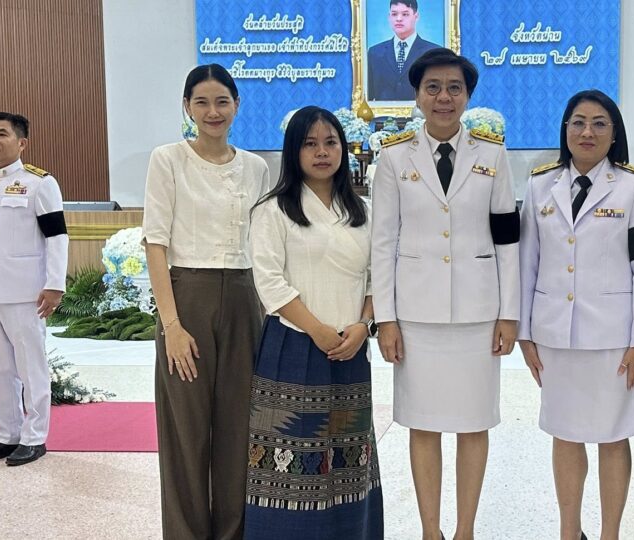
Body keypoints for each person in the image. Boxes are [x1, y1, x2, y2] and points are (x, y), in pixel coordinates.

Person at [370, 47, 519, 540]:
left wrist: (509, 313)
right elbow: (383, 242)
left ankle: (465, 530)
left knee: (474, 423)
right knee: (424, 423)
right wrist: (386, 318)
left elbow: (507, 239)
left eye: (454, 88)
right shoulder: (393, 157)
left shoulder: (492, 155)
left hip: (478, 313)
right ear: (417, 95)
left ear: (467, 96)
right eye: (432, 87)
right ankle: (430, 530)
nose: (443, 97)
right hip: (416, 315)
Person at [518, 90, 634, 540]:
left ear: (614, 133)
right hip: (555, 335)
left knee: (612, 436)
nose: (587, 131)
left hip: (614, 339)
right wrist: (525, 332)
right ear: (565, 129)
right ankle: (569, 531)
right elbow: (527, 263)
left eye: (599, 123)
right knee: (564, 433)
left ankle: (609, 534)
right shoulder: (540, 185)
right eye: (578, 122)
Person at [142, 63, 272, 539]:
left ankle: (234, 533)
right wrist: (172, 326)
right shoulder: (168, 159)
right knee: (186, 431)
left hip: (244, 299)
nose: (212, 111)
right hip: (187, 299)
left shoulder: (256, 167)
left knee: (240, 429)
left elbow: (266, 244)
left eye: (222, 101)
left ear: (237, 105)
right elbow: (155, 244)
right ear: (187, 107)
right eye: (202, 102)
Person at [244, 106, 383, 540]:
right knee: (288, 464)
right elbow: (269, 281)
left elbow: (377, 277)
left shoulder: (364, 211)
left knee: (348, 461)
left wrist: (363, 325)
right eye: (310, 144)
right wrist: (318, 330)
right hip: (293, 347)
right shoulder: (273, 211)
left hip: (350, 349)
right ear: (294, 151)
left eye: (330, 142)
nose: (322, 152)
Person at [0, 111, 68, 467]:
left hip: (25, 292)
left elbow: (57, 237)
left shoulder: (39, 183)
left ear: (21, 143)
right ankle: (7, 434)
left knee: (30, 367)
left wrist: (54, 284)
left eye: (2, 134)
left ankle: (34, 438)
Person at [367, 0, 444, 101]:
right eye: (394, 14)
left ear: (416, 16)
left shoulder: (434, 53)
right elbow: (368, 95)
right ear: (389, 17)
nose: (399, 19)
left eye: (405, 14)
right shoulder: (374, 53)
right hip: (383, 111)